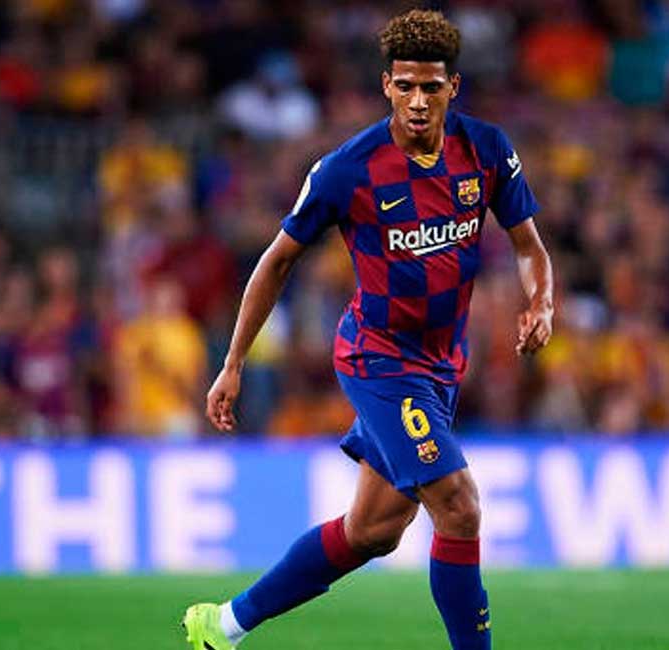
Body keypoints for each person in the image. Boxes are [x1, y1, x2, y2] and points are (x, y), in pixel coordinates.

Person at [182, 10, 554, 650]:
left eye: (431, 87)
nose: (418, 101)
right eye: (405, 86)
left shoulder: (487, 150)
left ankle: (225, 624)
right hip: (379, 358)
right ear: (387, 85)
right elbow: (277, 260)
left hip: (441, 365)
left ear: (453, 87)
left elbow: (529, 246)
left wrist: (541, 303)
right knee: (459, 506)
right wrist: (234, 362)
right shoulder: (347, 169)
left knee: (373, 531)